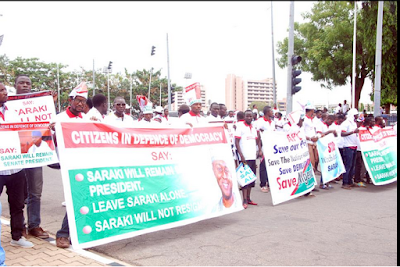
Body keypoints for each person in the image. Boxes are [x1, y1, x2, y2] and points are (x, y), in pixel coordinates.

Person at [51, 82, 90, 248]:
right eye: (78, 100)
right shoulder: (59, 119)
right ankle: (63, 234)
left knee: (82, 198)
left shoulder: (86, 119)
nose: (80, 104)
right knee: (76, 197)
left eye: (83, 101)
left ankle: (75, 233)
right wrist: (51, 131)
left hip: (82, 163)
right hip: (67, 164)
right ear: (70, 100)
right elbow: (48, 141)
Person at [14, 75, 50, 239]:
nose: (25, 85)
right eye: (21, 83)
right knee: (16, 194)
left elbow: (45, 124)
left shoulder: (39, 105)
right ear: (15, 86)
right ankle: (18, 226)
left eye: (28, 83)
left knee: (35, 192)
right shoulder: (7, 104)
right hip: (14, 155)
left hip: (34, 154)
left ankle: (34, 225)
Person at [0, 82, 34, 248]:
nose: (5, 93)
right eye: (1, 90)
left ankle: (17, 236)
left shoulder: (14, 110)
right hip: (0, 168)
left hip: (16, 167)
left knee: (17, 204)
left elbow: (29, 125)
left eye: (5, 89)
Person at [235, 110, 262, 208]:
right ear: (244, 117)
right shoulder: (240, 127)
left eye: (251, 116)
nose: (249, 118)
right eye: (247, 116)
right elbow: (236, 142)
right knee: (245, 179)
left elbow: (256, 140)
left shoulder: (253, 127)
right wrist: (241, 155)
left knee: (251, 179)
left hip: (252, 157)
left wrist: (258, 150)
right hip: (244, 157)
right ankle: (244, 200)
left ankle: (249, 198)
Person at [255, 106, 275, 193]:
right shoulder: (260, 121)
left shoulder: (272, 122)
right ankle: (263, 184)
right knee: (263, 165)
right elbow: (258, 136)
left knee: (271, 165)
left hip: (272, 146)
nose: (272, 112)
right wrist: (259, 149)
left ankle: (269, 183)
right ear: (267, 112)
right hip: (264, 146)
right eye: (271, 111)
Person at [340, 108, 359, 189]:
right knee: (348, 165)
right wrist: (352, 132)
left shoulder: (354, 123)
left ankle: (350, 181)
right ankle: (345, 182)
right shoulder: (346, 123)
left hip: (354, 146)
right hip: (348, 146)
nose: (357, 116)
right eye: (356, 115)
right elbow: (342, 133)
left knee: (352, 165)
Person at [303, 103, 321, 176]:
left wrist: (316, 136)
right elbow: (301, 132)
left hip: (313, 143)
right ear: (311, 110)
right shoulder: (304, 119)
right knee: (310, 162)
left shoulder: (312, 120)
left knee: (315, 161)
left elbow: (315, 130)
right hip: (308, 143)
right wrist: (310, 138)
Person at [354, 116, 367, 188]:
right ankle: (357, 180)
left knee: (360, 165)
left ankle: (358, 179)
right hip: (357, 149)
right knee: (358, 165)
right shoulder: (357, 129)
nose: (359, 123)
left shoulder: (363, 129)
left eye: (360, 122)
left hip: (362, 149)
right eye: (358, 122)